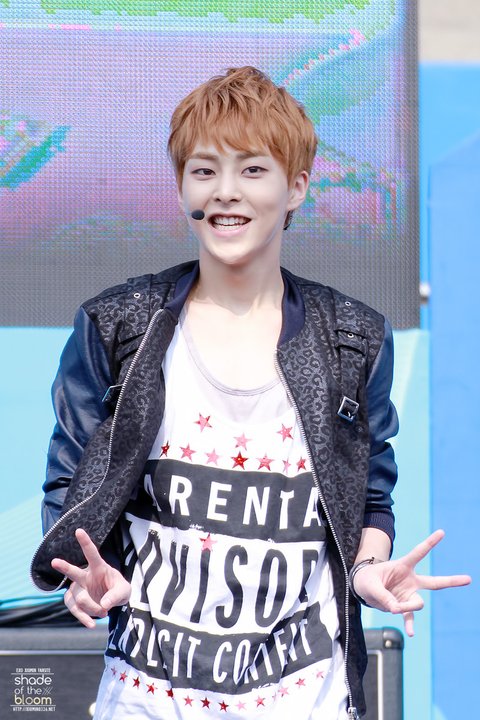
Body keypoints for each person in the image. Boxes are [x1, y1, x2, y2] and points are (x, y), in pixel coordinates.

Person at [31, 67, 470, 720]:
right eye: (204, 170)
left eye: (253, 170)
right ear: (182, 185)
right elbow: (71, 491)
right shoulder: (117, 326)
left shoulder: (353, 339)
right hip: (145, 702)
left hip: (308, 700)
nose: (226, 192)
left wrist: (367, 572)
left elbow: (369, 501)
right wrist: (87, 575)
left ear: (297, 186)